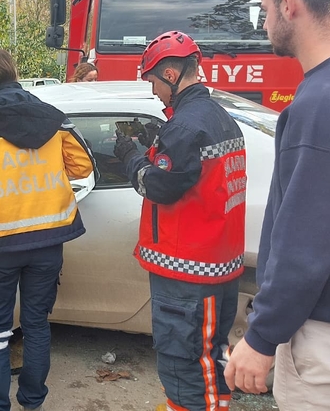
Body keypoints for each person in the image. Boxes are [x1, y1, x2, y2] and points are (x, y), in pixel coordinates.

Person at [224, 0, 330, 409]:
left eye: (266, 9)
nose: (265, 23)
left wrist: (262, 336)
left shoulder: (327, 98)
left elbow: (307, 237)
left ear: (289, 5)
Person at [0, 49, 96, 411]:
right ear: (13, 74)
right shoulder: (53, 118)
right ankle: (32, 402)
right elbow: (82, 166)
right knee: (37, 325)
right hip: (48, 240)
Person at [113, 31, 246, 411]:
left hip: (187, 273)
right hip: (216, 266)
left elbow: (159, 186)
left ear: (170, 74)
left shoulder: (187, 127)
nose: (153, 91)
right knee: (210, 363)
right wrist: (156, 145)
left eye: (153, 81)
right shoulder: (218, 118)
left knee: (182, 369)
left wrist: (131, 156)